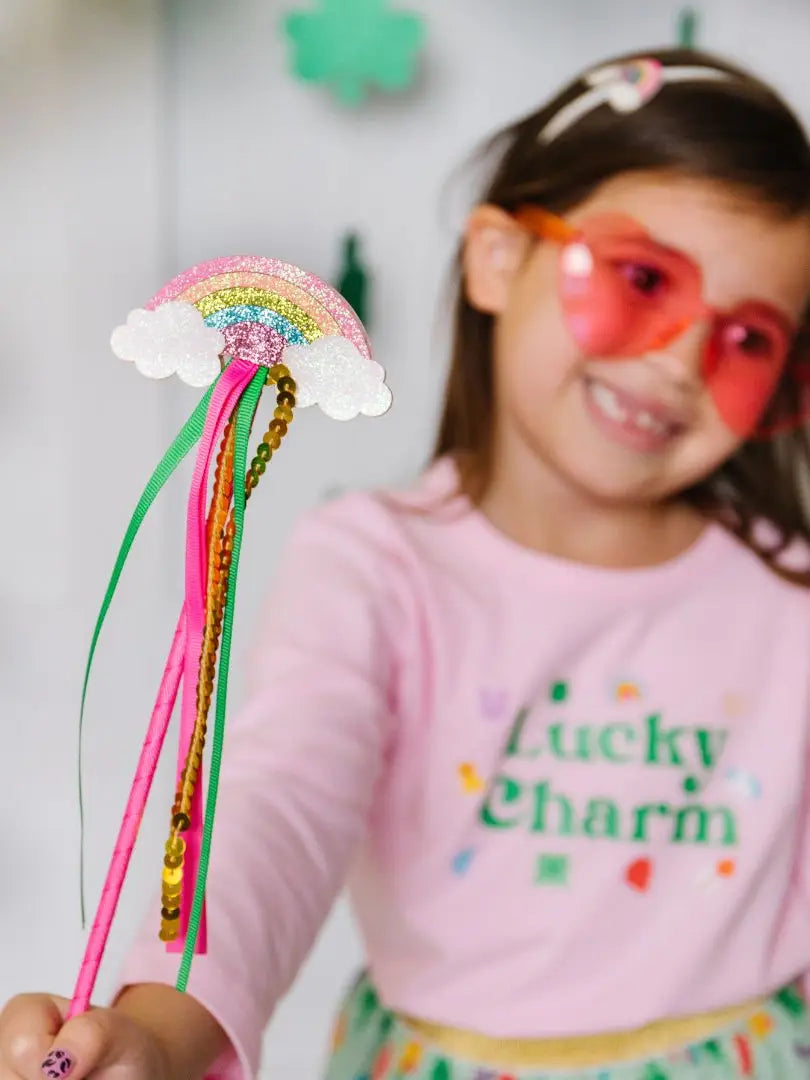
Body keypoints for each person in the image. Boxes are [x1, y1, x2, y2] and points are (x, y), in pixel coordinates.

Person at [5, 44, 810, 1080]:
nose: (677, 363)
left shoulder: (788, 601)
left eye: (751, 340)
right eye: (642, 279)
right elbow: (279, 808)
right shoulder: (375, 563)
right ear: (499, 260)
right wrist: (159, 1029)